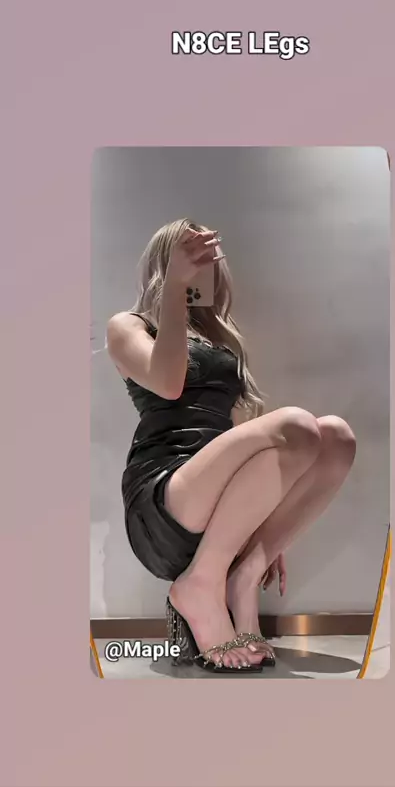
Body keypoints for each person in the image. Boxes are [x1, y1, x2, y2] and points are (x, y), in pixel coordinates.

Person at [107, 218, 356, 673]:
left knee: (336, 436)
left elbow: (247, 439)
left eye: (209, 262)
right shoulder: (128, 326)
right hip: (166, 497)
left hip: (221, 501)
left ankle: (241, 580)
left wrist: (268, 521)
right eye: (192, 260)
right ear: (166, 264)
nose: (205, 272)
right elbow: (168, 383)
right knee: (297, 423)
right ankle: (199, 583)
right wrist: (175, 292)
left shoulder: (223, 338)